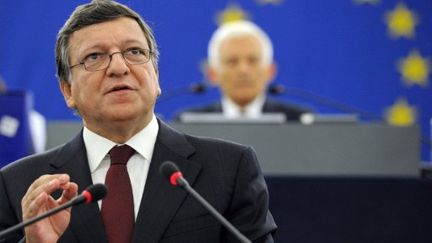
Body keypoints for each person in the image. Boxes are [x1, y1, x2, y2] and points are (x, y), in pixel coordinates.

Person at [0, 1, 277, 243]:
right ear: (67, 90)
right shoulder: (18, 185)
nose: (119, 68)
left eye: (134, 52)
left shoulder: (229, 169)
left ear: (155, 75)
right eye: (94, 57)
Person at [175, 20, 310, 122]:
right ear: (212, 73)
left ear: (270, 70)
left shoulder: (299, 121)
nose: (243, 70)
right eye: (232, 61)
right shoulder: (190, 123)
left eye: (253, 60)